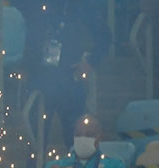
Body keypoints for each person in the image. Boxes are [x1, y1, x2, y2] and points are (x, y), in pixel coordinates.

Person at [17, 0, 109, 150]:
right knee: (35, 143)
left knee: (77, 142)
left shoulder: (81, 5)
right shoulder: (36, 5)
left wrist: (91, 62)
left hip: (70, 80)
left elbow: (104, 36)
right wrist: (27, 67)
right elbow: (32, 36)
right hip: (40, 80)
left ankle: (79, 164)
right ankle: (37, 166)